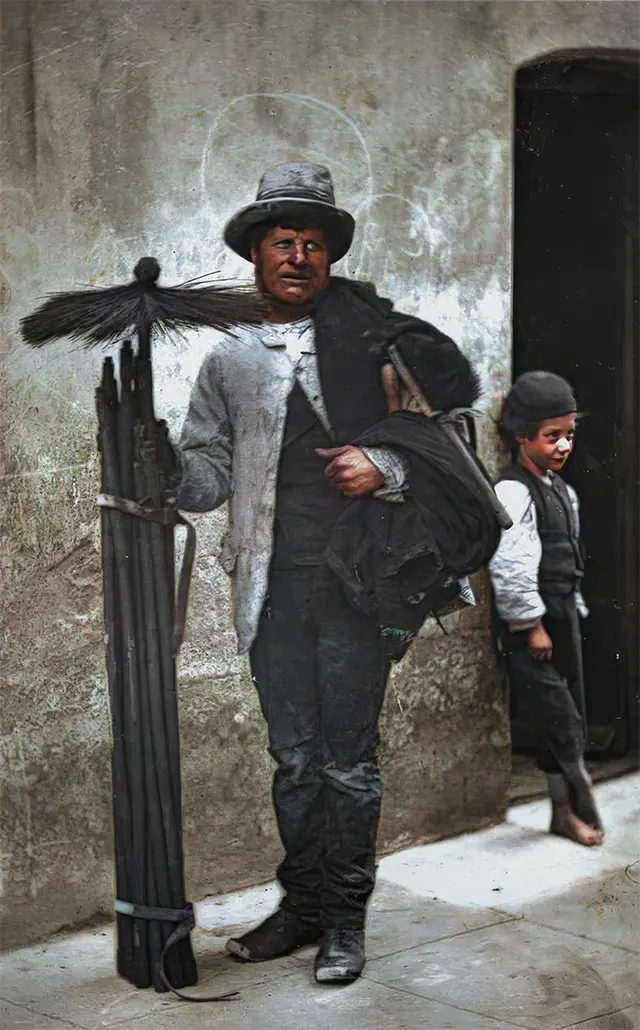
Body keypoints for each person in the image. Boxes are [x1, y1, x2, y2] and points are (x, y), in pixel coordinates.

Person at [171, 161, 477, 983]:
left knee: (347, 762)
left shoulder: (381, 343)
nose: (298, 256)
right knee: (295, 760)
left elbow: (453, 440)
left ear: (329, 254)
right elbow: (204, 475)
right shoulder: (229, 357)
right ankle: (300, 906)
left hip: (358, 585)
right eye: (283, 242)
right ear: (257, 255)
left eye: (312, 243)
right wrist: (163, 464)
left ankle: (345, 920)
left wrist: (386, 465)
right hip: (271, 591)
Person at [489, 370, 604, 847]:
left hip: (559, 614)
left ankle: (563, 811)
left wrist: (569, 607)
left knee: (568, 712)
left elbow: (567, 556)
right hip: (531, 621)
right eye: (551, 436)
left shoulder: (563, 490)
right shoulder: (514, 491)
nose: (562, 446)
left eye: (569, 435)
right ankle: (576, 806)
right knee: (561, 718)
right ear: (522, 436)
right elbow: (511, 565)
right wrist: (531, 625)